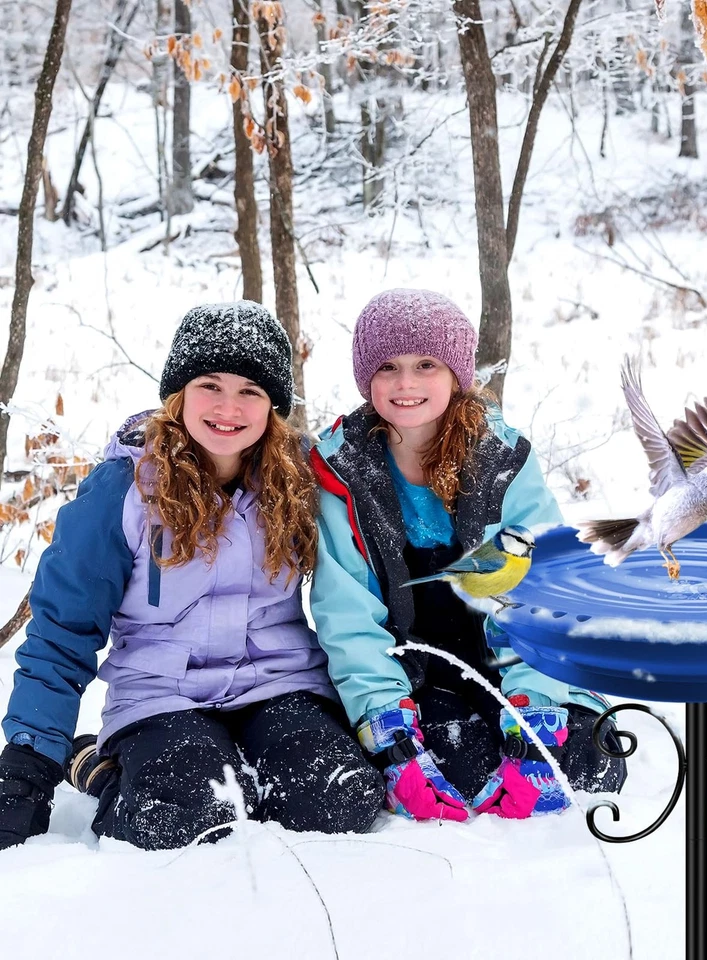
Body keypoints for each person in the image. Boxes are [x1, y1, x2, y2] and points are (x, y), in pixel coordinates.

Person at [0, 302, 384, 851]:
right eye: (210, 384)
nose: (229, 407)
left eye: (250, 390)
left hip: (280, 683)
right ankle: (102, 769)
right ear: (178, 393)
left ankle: (249, 768)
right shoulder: (124, 490)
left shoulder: (300, 480)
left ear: (273, 405)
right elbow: (64, 629)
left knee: (335, 798)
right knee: (186, 816)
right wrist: (28, 761)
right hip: (160, 695)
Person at [309, 289, 626, 822]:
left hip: (509, 651)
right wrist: (386, 724)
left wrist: (537, 706)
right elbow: (347, 612)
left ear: (456, 373)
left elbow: (539, 585)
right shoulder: (343, 469)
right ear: (367, 379)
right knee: (457, 766)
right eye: (387, 367)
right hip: (413, 666)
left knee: (588, 760)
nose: (406, 383)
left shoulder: (502, 457)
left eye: (426, 364)